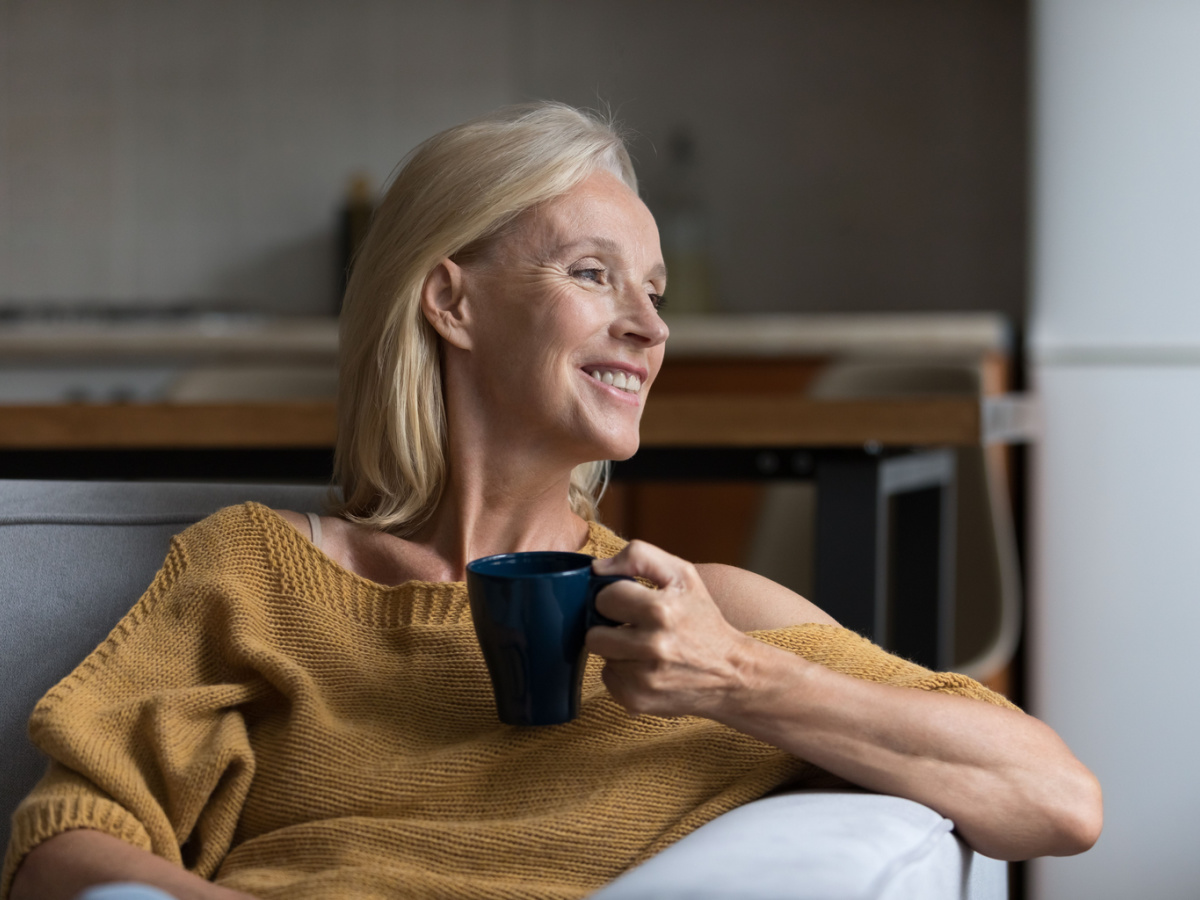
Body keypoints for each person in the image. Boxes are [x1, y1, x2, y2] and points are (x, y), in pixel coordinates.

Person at [3, 103, 1102, 900]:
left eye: (655, 292)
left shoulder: (698, 619)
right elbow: (63, 843)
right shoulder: (253, 575)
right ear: (451, 301)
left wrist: (736, 675)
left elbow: (1057, 802)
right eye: (592, 274)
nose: (651, 327)